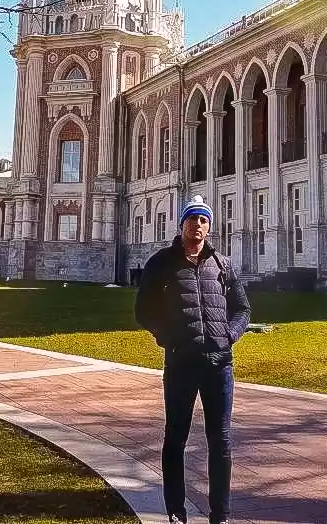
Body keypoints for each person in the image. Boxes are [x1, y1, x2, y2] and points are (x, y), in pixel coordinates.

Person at [134, 195, 251, 524]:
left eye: (203, 220)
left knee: (221, 440)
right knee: (176, 437)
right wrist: (166, 336)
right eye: (192, 219)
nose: (197, 225)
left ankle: (221, 514)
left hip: (219, 365)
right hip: (181, 363)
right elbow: (143, 310)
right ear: (182, 223)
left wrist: (230, 335)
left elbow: (242, 308)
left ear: (209, 227)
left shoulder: (222, 265)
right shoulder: (162, 263)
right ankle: (176, 510)